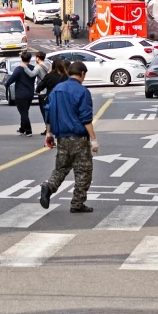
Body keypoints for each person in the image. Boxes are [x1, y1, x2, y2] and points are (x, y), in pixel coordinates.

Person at [38, 59, 97, 213]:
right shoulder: (82, 91)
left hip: (61, 138)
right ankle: (77, 203)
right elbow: (86, 118)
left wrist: (49, 133)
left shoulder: (57, 89)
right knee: (83, 172)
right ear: (82, 74)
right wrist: (94, 139)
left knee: (61, 168)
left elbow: (49, 112)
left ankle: (48, 186)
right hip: (79, 138)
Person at [5, 50, 41, 136]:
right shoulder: (33, 68)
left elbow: (11, 80)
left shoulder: (18, 69)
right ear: (30, 59)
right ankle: (22, 128)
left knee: (23, 112)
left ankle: (28, 130)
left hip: (20, 94)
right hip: (30, 93)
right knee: (25, 111)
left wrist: (6, 84)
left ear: (21, 59)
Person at [37, 57, 69, 130]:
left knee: (49, 113)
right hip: (63, 97)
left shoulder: (49, 76)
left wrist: (38, 91)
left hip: (51, 97)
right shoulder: (66, 76)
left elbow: (41, 85)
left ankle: (49, 129)